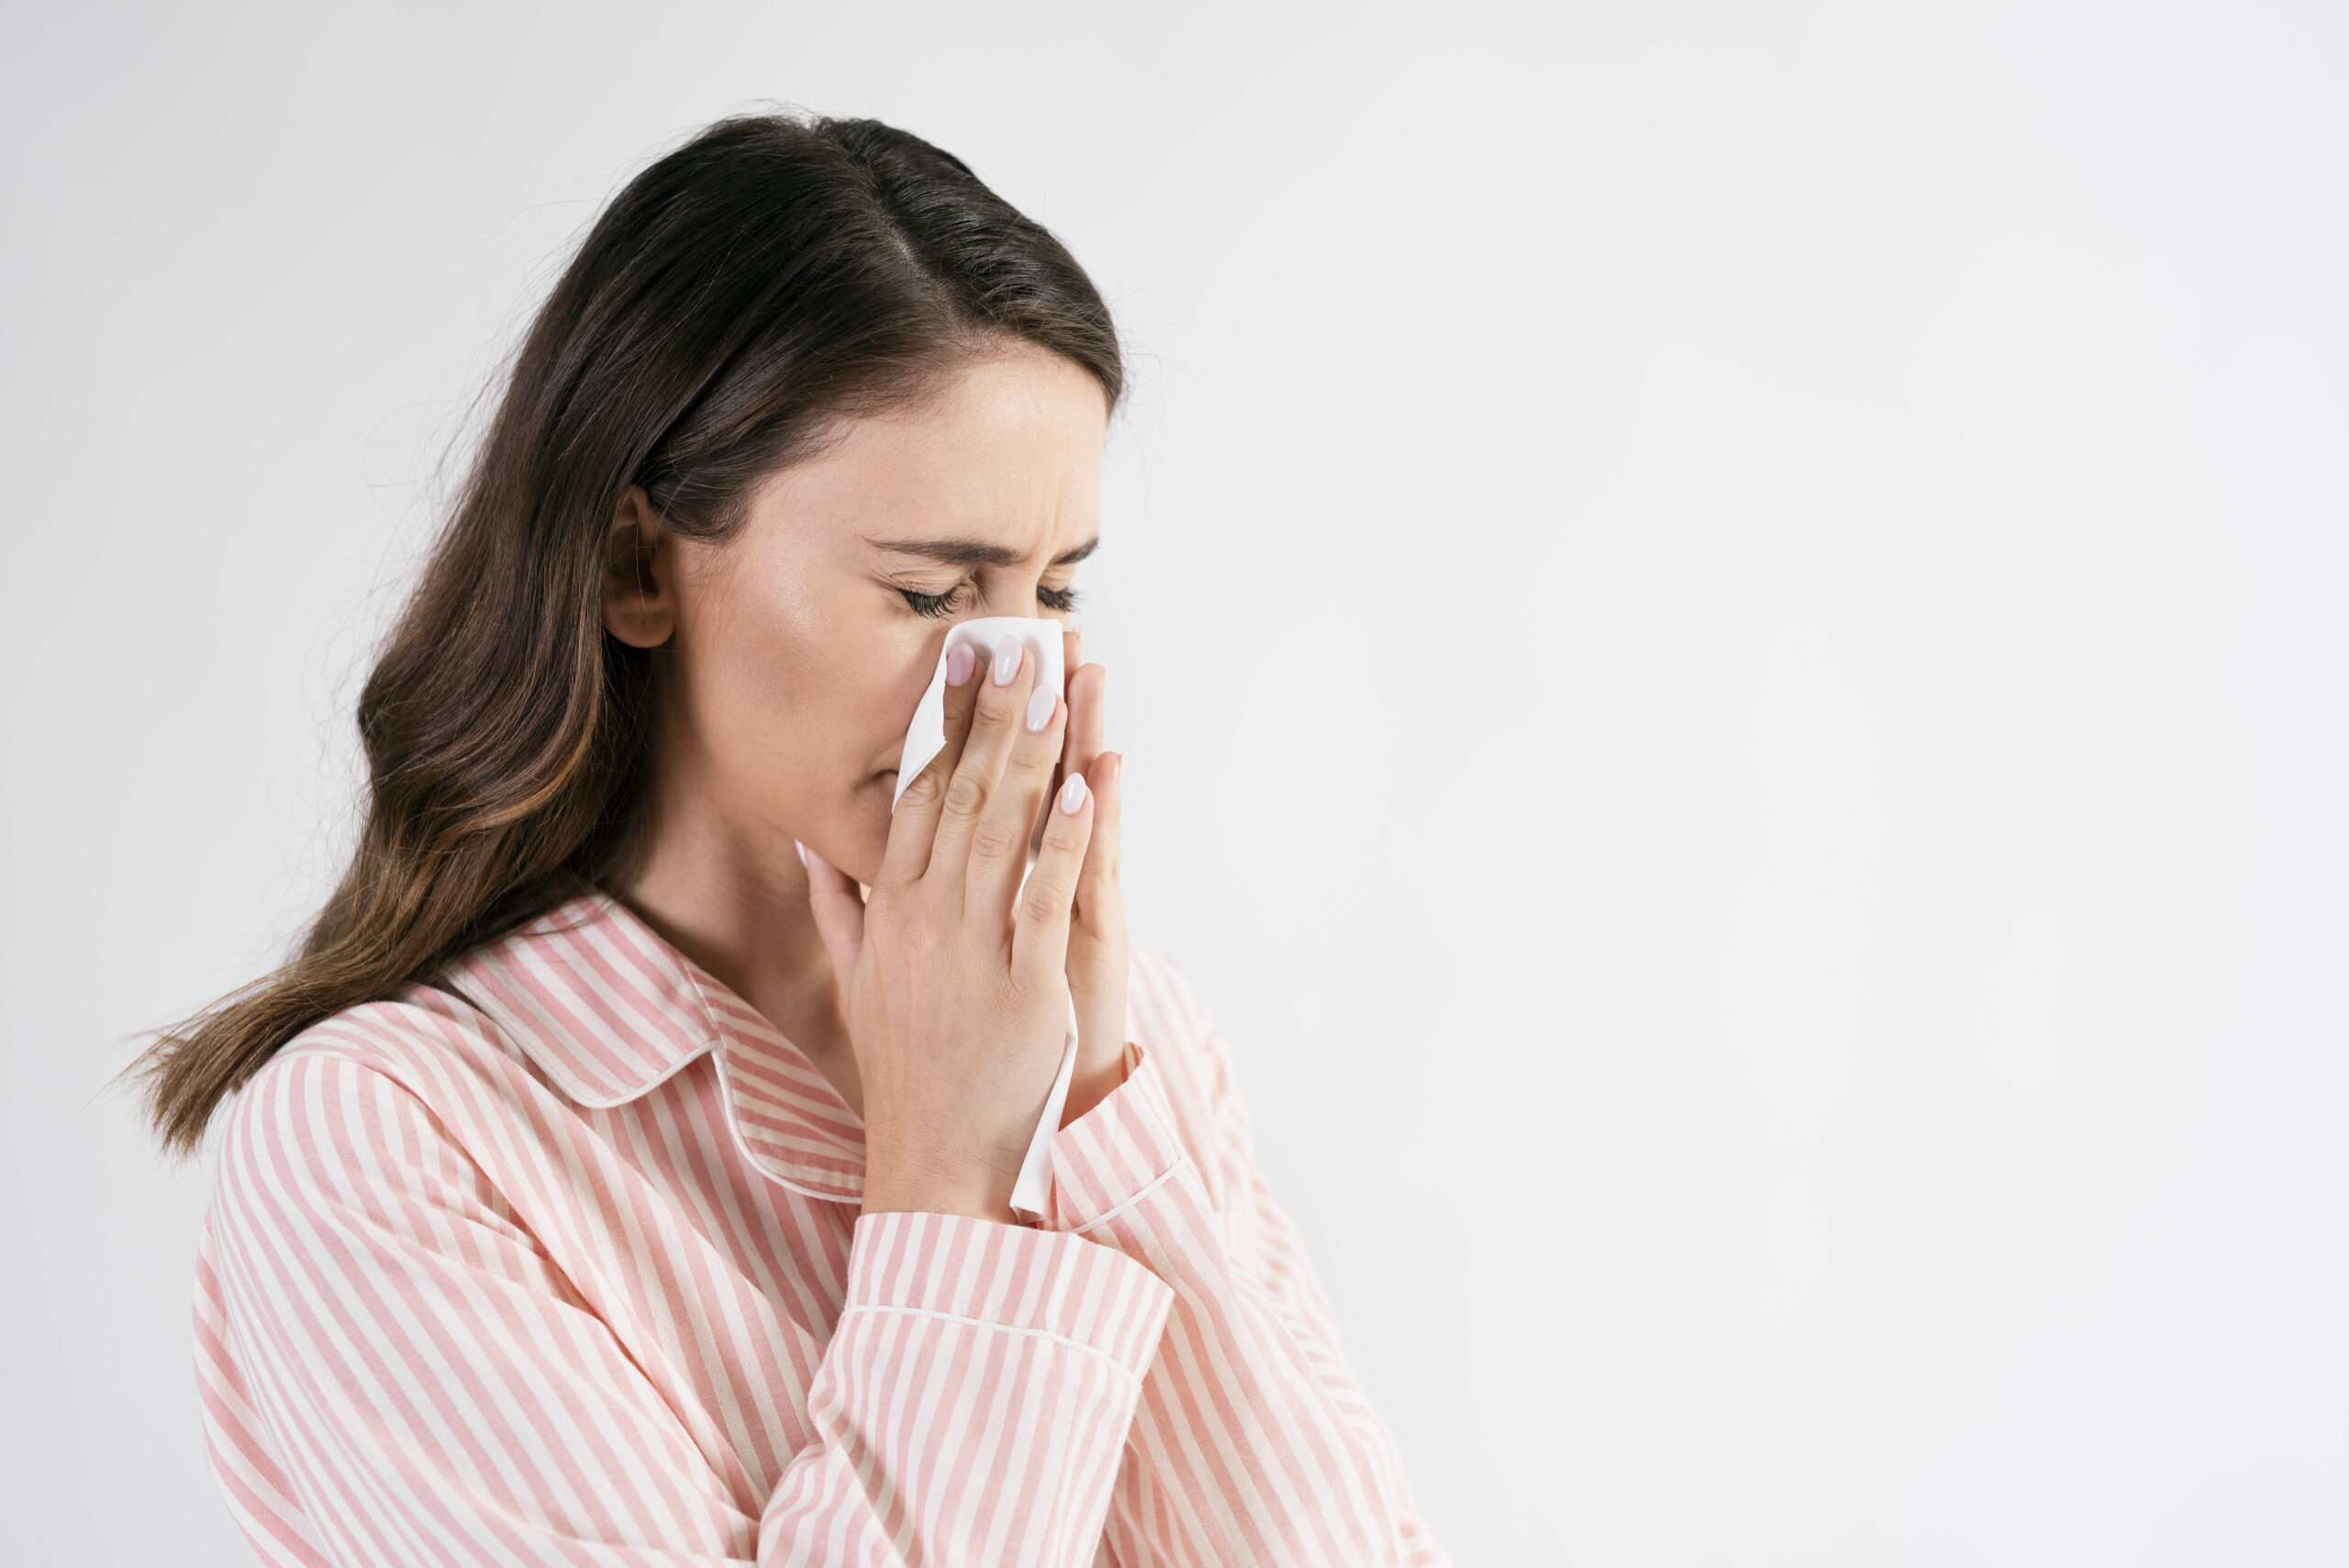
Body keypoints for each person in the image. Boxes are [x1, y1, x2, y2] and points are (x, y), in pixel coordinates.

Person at [136, 113, 1448, 1567]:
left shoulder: (1136, 1046)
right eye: (933, 595)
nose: (1013, 686)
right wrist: (949, 1178)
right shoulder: (388, 1143)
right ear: (640, 563)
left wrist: (1087, 1110)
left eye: (1054, 594)